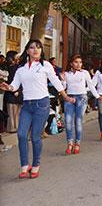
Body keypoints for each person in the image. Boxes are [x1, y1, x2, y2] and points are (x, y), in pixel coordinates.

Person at [0, 40, 75, 178]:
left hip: (42, 104)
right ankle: (24, 166)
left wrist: (66, 97)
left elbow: (56, 81)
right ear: (27, 50)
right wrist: (8, 87)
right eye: (32, 47)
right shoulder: (20, 68)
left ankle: (35, 165)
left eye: (39, 47)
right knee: (21, 134)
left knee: (35, 136)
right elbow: (15, 85)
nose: (36, 50)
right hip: (27, 105)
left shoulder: (45, 65)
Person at [61, 54, 102, 155]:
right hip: (69, 98)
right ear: (71, 63)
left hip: (81, 98)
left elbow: (91, 86)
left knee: (78, 121)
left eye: (80, 62)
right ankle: (70, 143)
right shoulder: (66, 74)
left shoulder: (85, 73)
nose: (78, 64)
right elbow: (63, 87)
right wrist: (62, 80)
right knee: (68, 120)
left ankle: (77, 143)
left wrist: (97, 96)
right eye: (76, 62)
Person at [4, 51, 23, 133]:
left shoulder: (17, 68)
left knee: (14, 112)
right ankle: (13, 128)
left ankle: (14, 128)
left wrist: (17, 90)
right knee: (12, 112)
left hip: (15, 91)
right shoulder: (8, 67)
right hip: (12, 91)